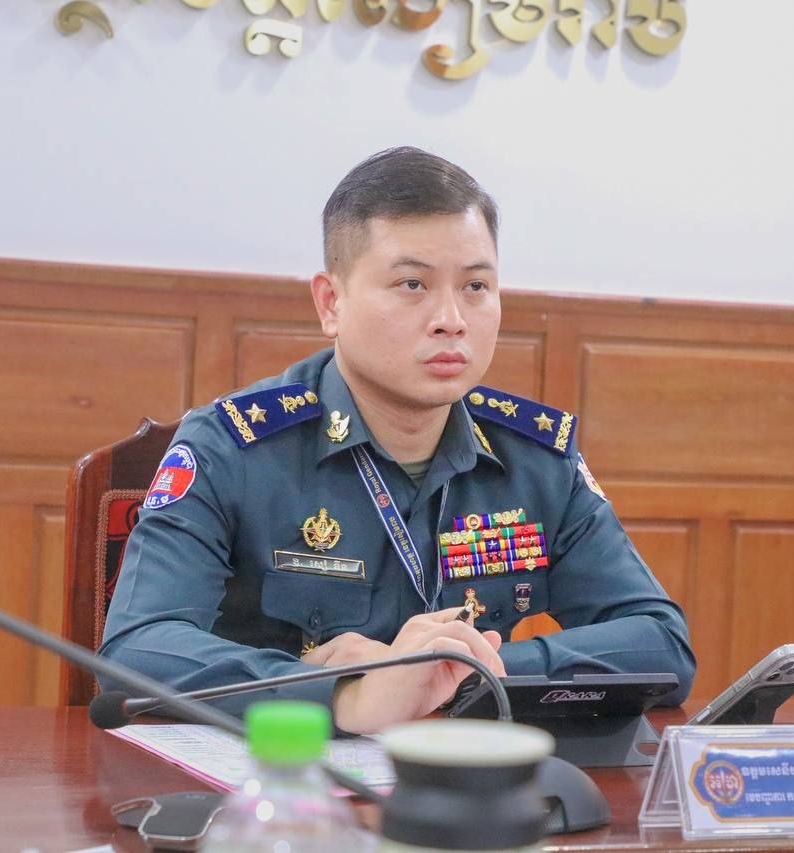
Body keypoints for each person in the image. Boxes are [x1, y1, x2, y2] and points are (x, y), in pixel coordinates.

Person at [98, 147, 695, 734]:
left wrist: (457, 672)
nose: (451, 319)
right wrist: (339, 694)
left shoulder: (536, 459)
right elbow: (135, 651)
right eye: (412, 284)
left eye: (476, 286)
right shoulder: (233, 448)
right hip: (284, 777)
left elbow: (661, 643)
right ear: (331, 303)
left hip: (464, 778)